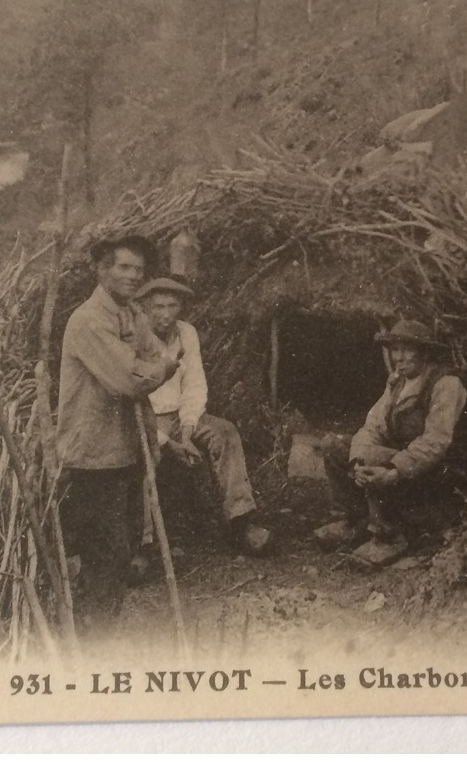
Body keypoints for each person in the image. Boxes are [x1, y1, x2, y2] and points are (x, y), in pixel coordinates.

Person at [57, 234, 176, 636]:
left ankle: (98, 627)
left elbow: (156, 356)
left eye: (138, 270)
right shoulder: (89, 321)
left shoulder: (132, 316)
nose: (131, 276)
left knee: (121, 549)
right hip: (92, 455)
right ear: (103, 269)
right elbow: (127, 379)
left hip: (126, 450)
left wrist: (152, 366)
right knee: (105, 551)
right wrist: (155, 369)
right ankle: (91, 635)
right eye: (123, 267)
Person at [137, 277, 273, 555]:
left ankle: (240, 521)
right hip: (146, 421)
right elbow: (136, 399)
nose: (165, 313)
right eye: (158, 306)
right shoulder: (134, 337)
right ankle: (141, 541)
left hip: (182, 417)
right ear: (144, 307)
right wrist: (167, 442)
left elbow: (195, 385)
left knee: (225, 432)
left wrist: (187, 430)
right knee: (143, 454)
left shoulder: (186, 333)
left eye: (172, 306)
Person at [315, 318, 467, 562]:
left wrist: (395, 471)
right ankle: (358, 519)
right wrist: (356, 461)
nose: (399, 357)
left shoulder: (446, 384)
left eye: (408, 350)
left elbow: (436, 441)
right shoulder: (398, 382)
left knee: (374, 458)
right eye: (395, 350)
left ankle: (388, 534)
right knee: (334, 446)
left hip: (436, 470)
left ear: (425, 352)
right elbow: (372, 426)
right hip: (402, 459)